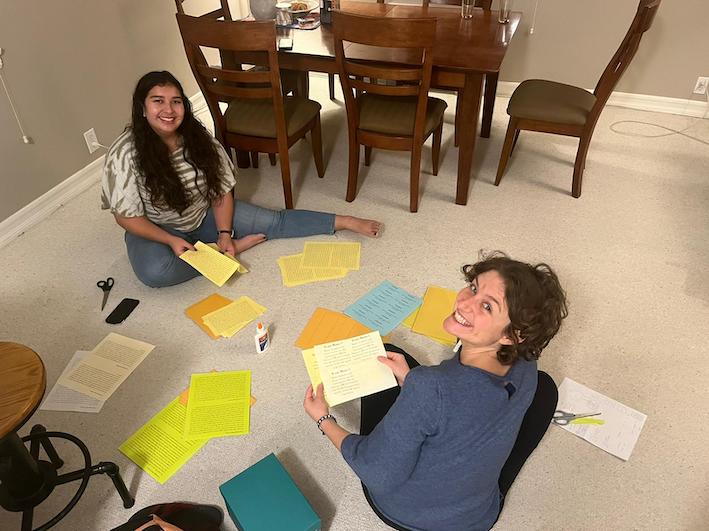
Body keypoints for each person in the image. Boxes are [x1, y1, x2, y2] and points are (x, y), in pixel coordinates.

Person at [303, 252, 568, 531]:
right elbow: (458, 399)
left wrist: (324, 420)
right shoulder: (527, 362)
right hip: (477, 515)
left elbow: (377, 472)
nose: (465, 303)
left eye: (487, 307)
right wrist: (411, 379)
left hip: (407, 513)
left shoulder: (431, 387)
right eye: (474, 288)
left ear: (512, 335)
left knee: (383, 357)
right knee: (544, 388)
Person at [101, 71, 381, 288]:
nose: (169, 110)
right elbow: (126, 217)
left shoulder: (199, 139)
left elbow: (221, 192)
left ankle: (342, 221)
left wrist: (224, 232)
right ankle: (227, 252)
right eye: (158, 101)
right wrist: (171, 240)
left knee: (273, 221)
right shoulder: (125, 152)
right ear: (142, 108)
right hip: (156, 228)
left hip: (203, 216)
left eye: (176, 101)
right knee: (155, 272)